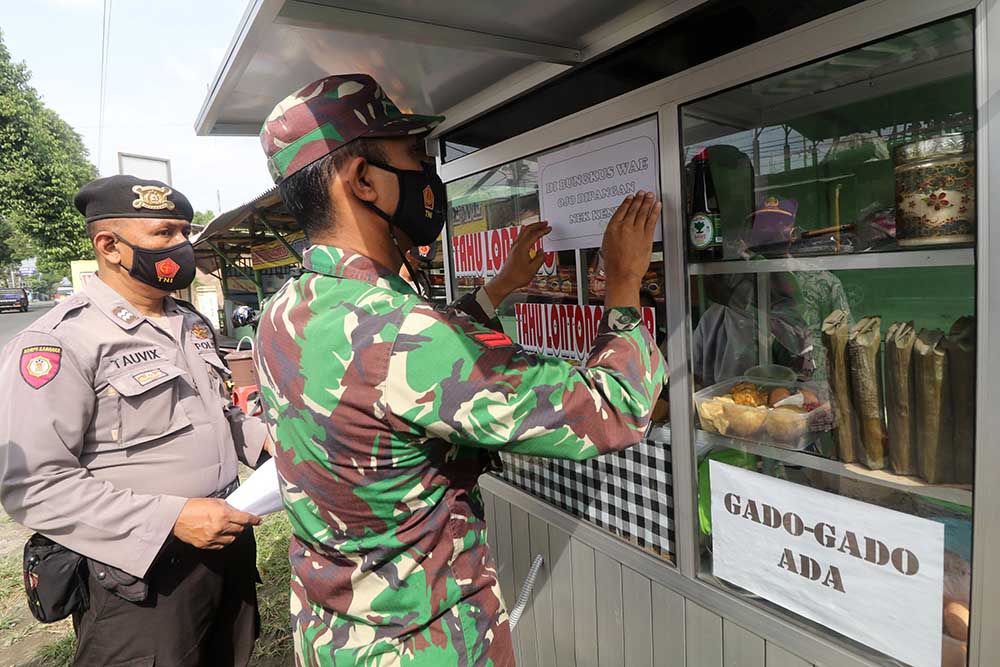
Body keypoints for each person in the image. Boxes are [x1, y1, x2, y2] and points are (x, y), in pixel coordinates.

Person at [254, 73, 665, 666]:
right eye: (415, 156)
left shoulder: (287, 310)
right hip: (423, 645)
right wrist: (624, 285)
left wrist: (498, 289)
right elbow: (618, 407)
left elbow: (397, 371)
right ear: (364, 180)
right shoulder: (400, 333)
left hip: (334, 635)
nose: (429, 175)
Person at [0, 175, 273, 667]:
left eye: (185, 232)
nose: (183, 246)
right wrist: (170, 520)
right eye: (165, 233)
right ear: (110, 246)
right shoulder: (62, 341)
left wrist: (272, 444)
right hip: (141, 579)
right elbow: (33, 483)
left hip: (226, 547)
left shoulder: (189, 322)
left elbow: (220, 415)